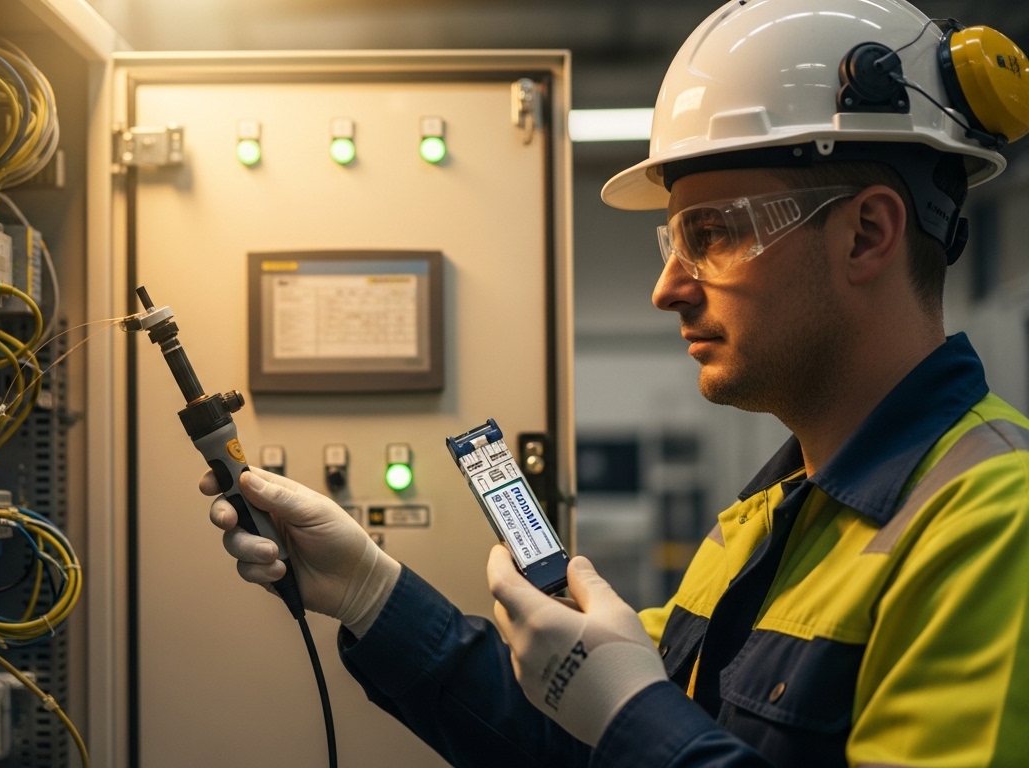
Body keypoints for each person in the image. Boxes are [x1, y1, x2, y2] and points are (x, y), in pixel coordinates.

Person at [200, 1, 1029, 765]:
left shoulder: (997, 527)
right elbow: (581, 748)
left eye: (709, 234)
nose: (667, 288)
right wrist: (370, 593)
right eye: (671, 242)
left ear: (867, 234)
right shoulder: (763, 523)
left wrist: (633, 710)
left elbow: (628, 735)